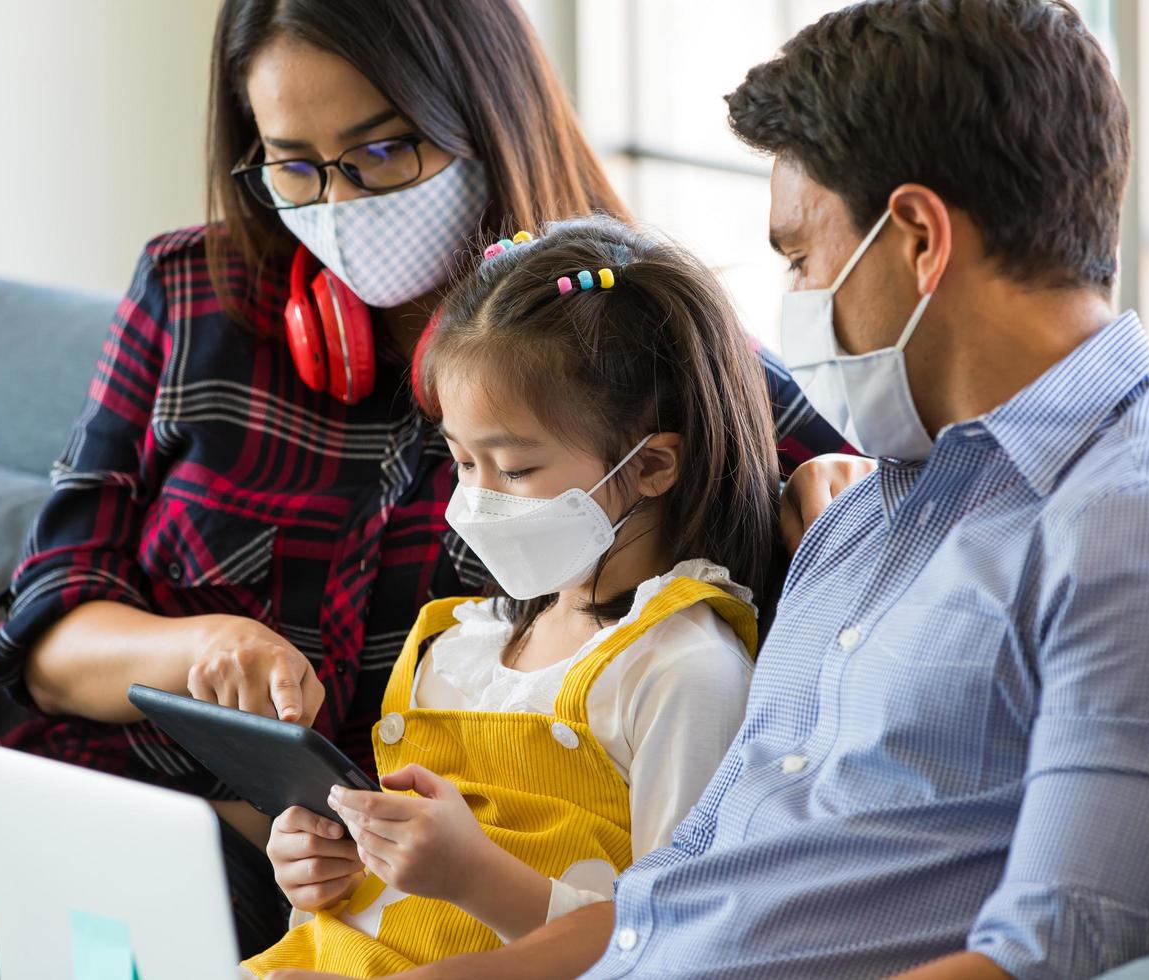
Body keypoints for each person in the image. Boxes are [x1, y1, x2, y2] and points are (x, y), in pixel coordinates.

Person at [356, 2, 1149, 978]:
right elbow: (669, 897)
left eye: (800, 255)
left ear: (916, 237)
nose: (795, 293)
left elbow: (1051, 955)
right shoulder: (862, 520)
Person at [0, 2, 853, 975]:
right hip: (68, 773)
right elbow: (34, 625)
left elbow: (861, 484)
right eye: (292, 163)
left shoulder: (617, 345)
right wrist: (196, 645)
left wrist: (844, 481)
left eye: (379, 152)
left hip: (313, 868)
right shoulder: (191, 288)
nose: (338, 201)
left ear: (482, 117)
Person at [242, 216, 777, 976]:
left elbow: (674, 941)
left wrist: (472, 877)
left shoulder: (684, 669)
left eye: (514, 469)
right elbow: (378, 906)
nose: (475, 500)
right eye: (461, 461)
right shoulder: (451, 645)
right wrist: (316, 873)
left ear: (652, 465)